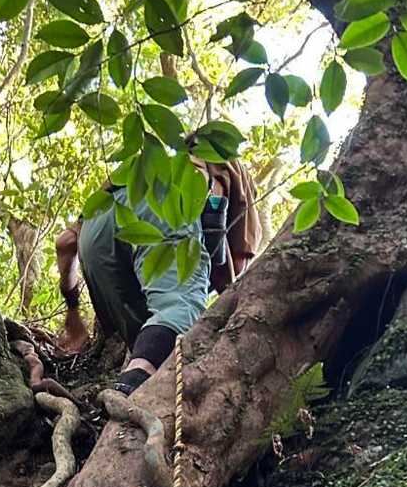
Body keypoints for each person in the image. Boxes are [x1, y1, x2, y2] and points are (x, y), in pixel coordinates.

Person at [54, 152, 261, 394]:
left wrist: (73, 315)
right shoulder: (228, 170)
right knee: (180, 312)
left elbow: (65, 243)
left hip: (96, 227)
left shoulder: (132, 172)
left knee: (150, 330)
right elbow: (236, 270)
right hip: (167, 207)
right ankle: (127, 395)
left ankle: (136, 374)